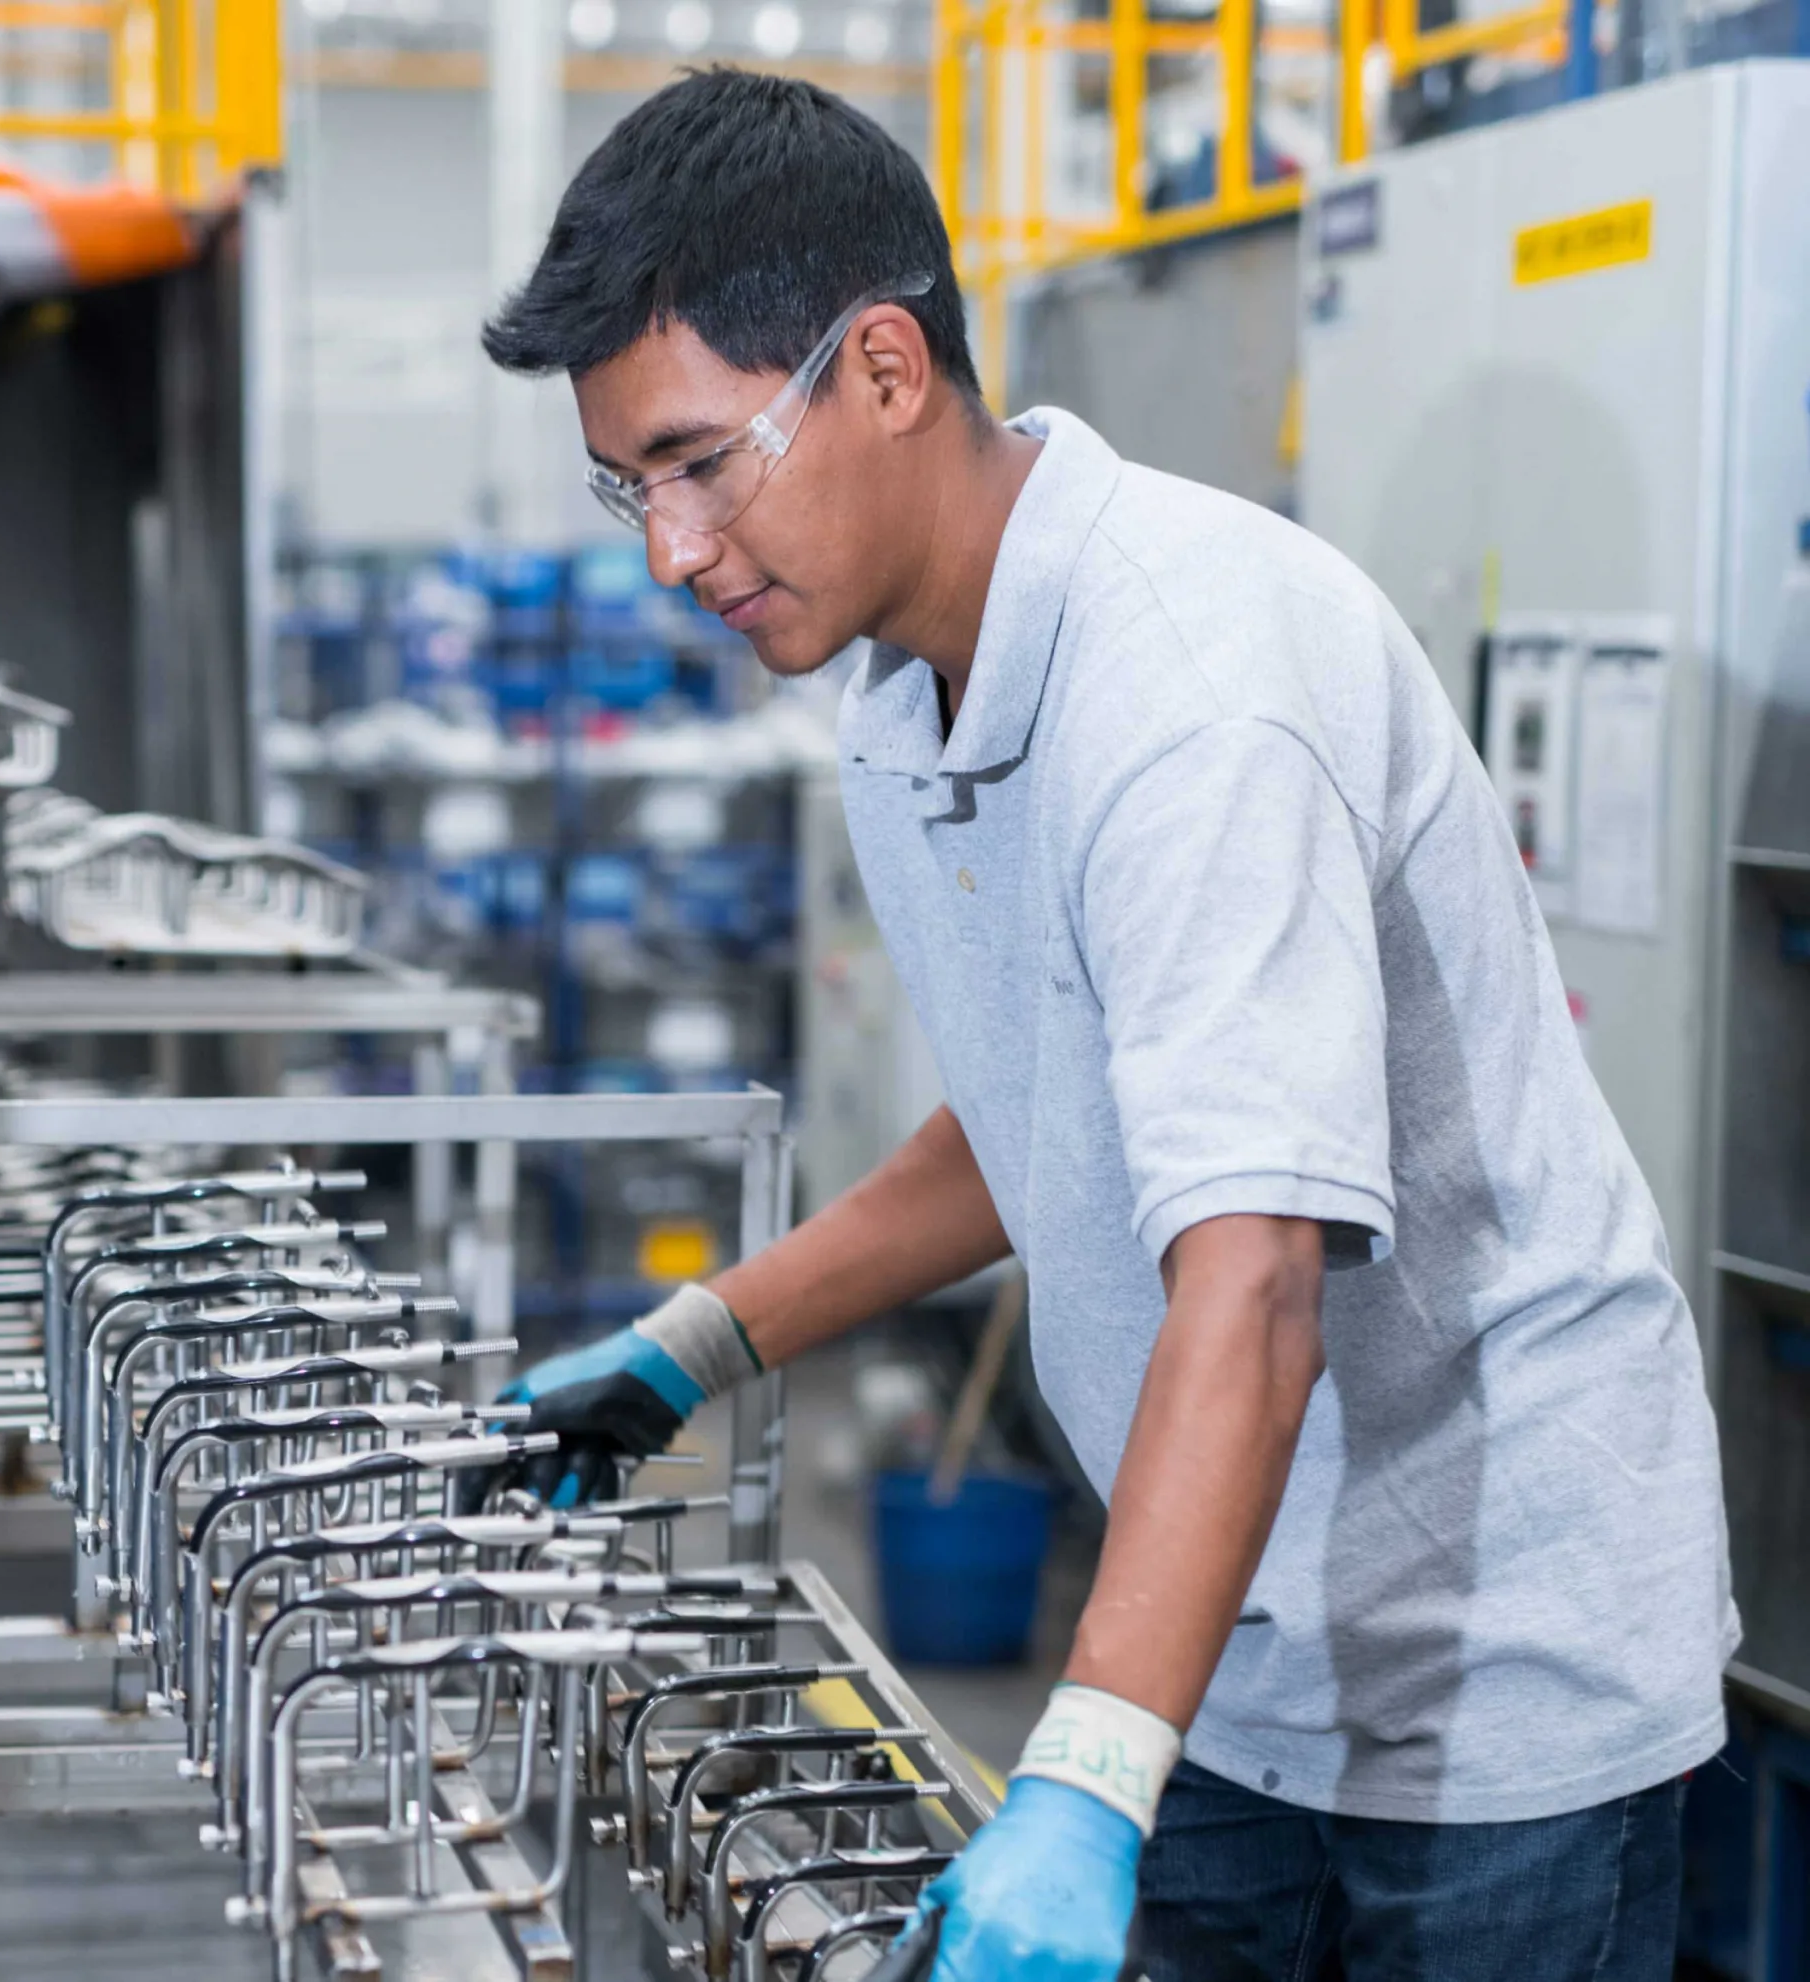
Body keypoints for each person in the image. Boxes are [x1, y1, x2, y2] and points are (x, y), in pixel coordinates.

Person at [470, 67, 1735, 1982]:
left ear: (885, 368)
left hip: (1496, 1682)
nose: (671, 550)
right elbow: (1039, 1117)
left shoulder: (1197, 686)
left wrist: (1081, 1779)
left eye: (701, 459)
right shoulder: (907, 699)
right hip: (1229, 1628)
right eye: (628, 483)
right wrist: (687, 1344)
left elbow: (1256, 1287)